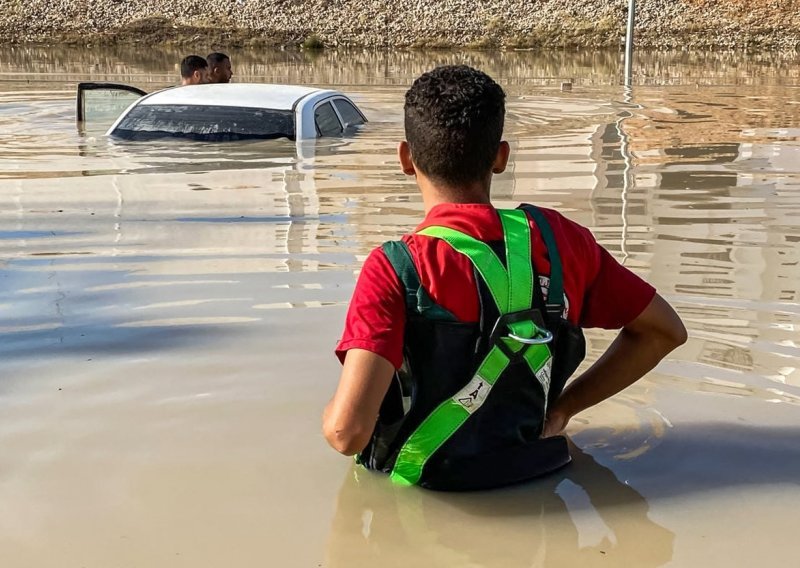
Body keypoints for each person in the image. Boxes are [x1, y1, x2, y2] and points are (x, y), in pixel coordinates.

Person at [322, 65, 687, 490]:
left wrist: (330, 413)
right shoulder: (561, 240)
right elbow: (665, 332)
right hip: (537, 474)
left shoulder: (396, 267)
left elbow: (347, 435)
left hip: (430, 493)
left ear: (406, 158)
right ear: (501, 157)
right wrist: (565, 409)